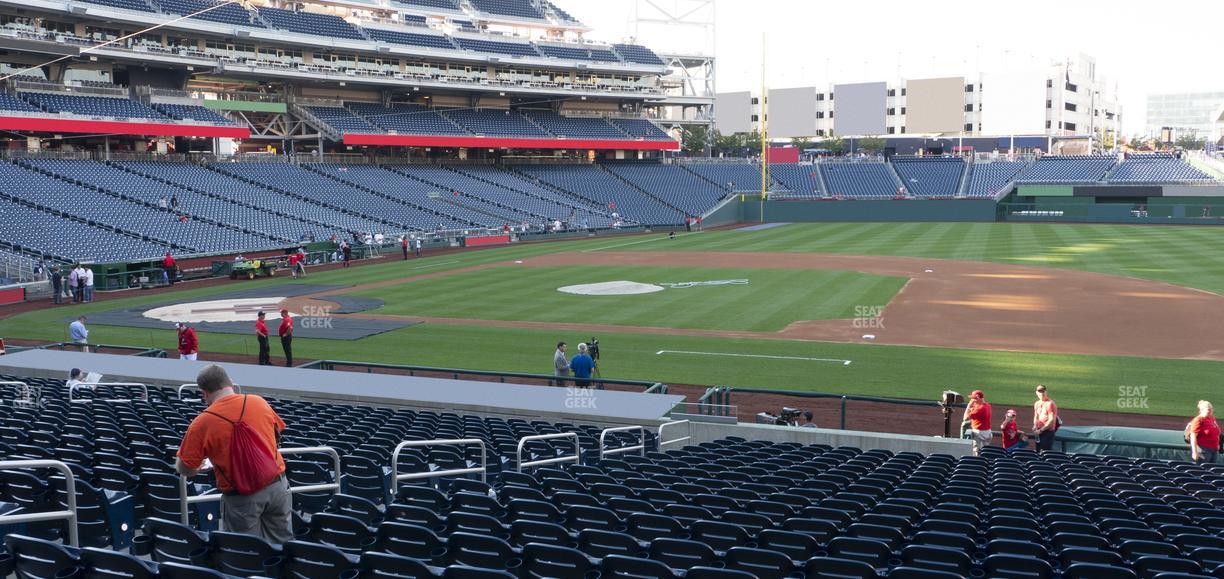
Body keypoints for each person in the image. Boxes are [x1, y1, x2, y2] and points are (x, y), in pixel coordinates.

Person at [175, 365, 291, 543]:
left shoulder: (201, 423)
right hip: (277, 486)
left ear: (204, 393)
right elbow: (276, 436)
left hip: (241, 497)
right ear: (229, 382)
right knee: (283, 546)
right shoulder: (258, 402)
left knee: (246, 552)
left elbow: (186, 468)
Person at [963, 390, 993, 456]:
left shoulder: (979, 409)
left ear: (978, 398)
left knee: (977, 452)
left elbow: (965, 418)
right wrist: (973, 406)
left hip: (979, 433)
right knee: (986, 452)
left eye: (973, 398)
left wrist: (968, 405)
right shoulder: (987, 405)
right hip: (988, 432)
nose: (972, 400)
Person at [1032, 384, 1059, 452]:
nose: (1041, 394)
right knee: (1038, 451)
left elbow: (1051, 420)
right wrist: (1035, 425)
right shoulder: (1037, 403)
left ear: (1046, 392)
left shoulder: (1050, 404)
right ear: (1036, 393)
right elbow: (1036, 416)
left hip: (1047, 432)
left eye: (1043, 392)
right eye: (1040, 392)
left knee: (1045, 452)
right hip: (1039, 432)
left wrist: (1041, 430)